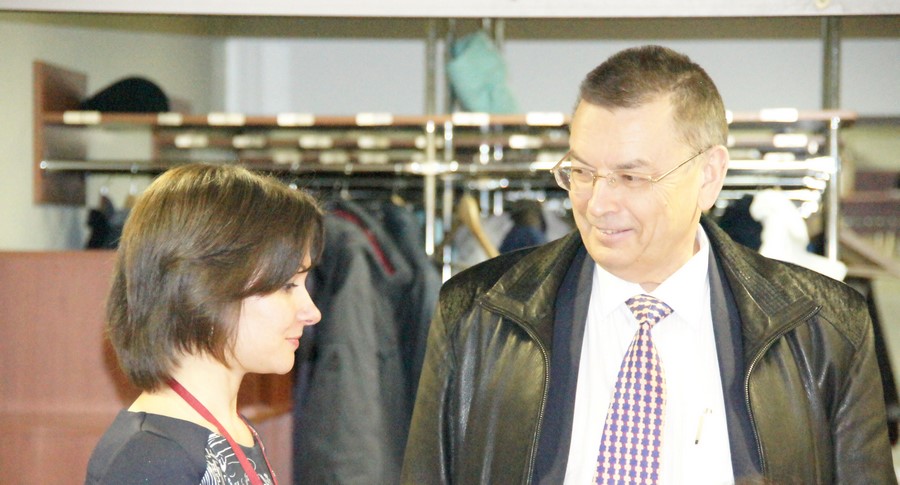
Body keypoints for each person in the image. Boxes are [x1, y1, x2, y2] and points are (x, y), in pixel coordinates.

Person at [401, 45, 896, 484]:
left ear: (708, 176)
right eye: (582, 172)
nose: (598, 204)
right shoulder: (477, 314)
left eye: (630, 178)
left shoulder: (825, 329)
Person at [85, 164, 323, 484]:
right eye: (287, 285)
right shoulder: (151, 459)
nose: (312, 312)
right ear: (207, 289)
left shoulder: (227, 431)